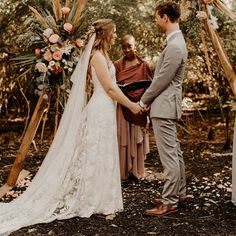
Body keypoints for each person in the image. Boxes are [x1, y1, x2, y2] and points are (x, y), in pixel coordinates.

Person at [0, 19, 143, 235]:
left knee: (102, 153)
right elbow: (110, 89)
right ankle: (93, 198)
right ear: (104, 35)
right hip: (100, 109)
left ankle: (101, 196)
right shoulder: (96, 57)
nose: (115, 36)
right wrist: (132, 106)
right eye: (113, 33)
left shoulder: (103, 56)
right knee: (95, 153)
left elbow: (114, 87)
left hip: (106, 109)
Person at [140, 2, 188, 216]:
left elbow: (161, 80)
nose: (155, 20)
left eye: (157, 17)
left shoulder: (176, 46)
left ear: (166, 17)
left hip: (164, 106)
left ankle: (169, 202)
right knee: (175, 153)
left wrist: (144, 101)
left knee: (169, 156)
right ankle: (179, 194)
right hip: (167, 106)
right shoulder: (175, 42)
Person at [114, 34, 152, 180]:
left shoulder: (143, 64)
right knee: (122, 136)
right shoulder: (117, 65)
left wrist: (146, 103)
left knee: (137, 137)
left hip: (140, 105)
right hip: (123, 105)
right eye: (123, 47)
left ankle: (136, 171)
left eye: (129, 46)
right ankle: (124, 171)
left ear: (135, 45)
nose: (126, 50)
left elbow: (150, 86)